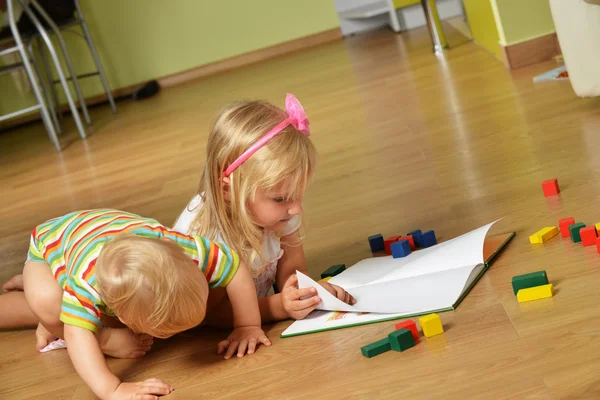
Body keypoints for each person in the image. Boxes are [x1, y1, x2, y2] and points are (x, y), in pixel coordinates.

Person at [0, 209, 269, 400]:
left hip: (99, 230)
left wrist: (247, 325)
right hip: (51, 243)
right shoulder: (86, 285)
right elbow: (76, 334)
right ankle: (36, 276)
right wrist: (112, 389)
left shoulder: (188, 250)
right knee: (49, 304)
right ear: (124, 316)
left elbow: (234, 266)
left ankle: (40, 278)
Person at [173, 93, 355, 327]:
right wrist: (279, 307)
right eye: (280, 198)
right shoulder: (207, 237)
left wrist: (305, 292)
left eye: (299, 195)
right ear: (228, 192)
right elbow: (210, 314)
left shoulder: (281, 212)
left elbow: (293, 271)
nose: (296, 208)